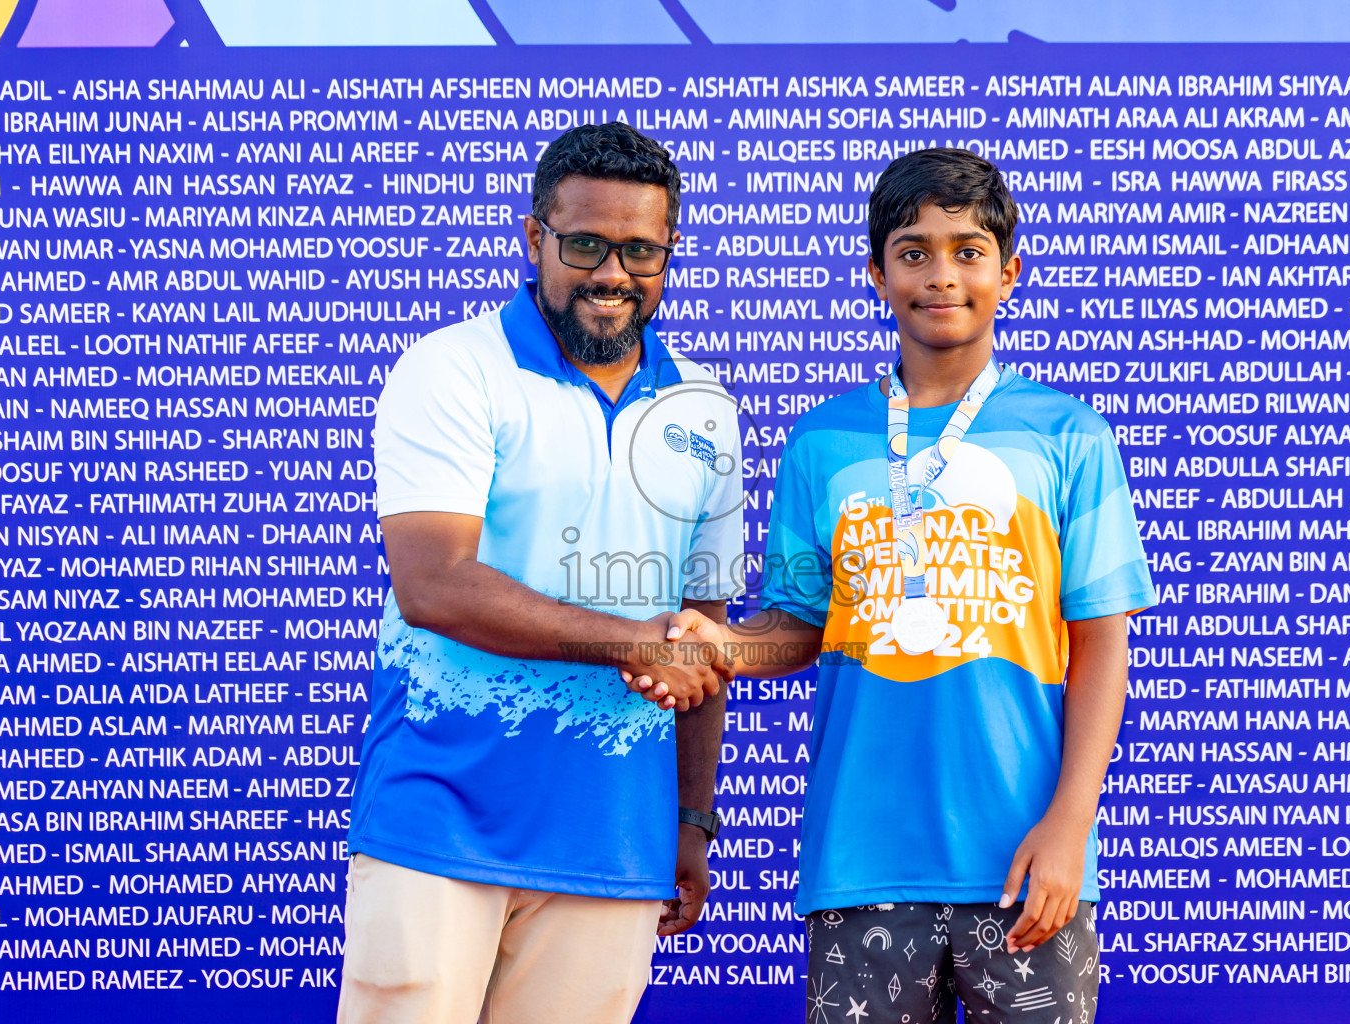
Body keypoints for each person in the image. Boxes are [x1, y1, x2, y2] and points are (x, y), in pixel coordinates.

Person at [628, 148, 1156, 1022]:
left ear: (1009, 271)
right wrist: (727, 645)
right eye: (913, 252)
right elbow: (800, 623)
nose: (941, 276)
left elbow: (1101, 642)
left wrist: (1071, 827)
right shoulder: (824, 441)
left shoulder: (1070, 435)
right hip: (861, 858)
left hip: (1026, 862)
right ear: (876, 274)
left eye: (968, 250)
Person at [340, 122, 745, 1024]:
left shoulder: (705, 410)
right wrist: (627, 640)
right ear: (536, 239)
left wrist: (691, 820)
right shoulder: (453, 370)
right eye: (587, 245)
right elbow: (434, 583)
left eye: (640, 250)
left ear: (669, 250)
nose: (612, 275)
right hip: (440, 823)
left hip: (615, 837)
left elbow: (700, 635)